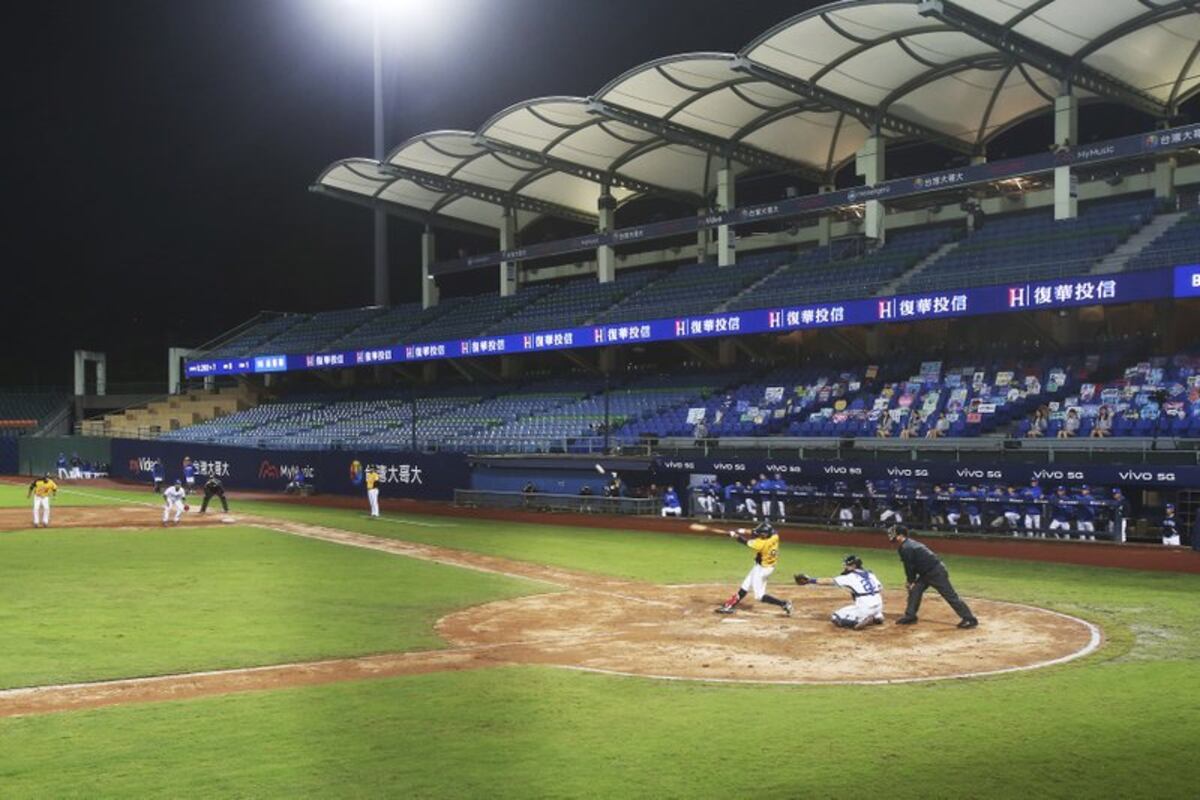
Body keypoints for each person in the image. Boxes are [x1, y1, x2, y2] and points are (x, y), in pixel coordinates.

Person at [887, 525, 978, 628]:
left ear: (900, 536)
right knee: (915, 590)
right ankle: (910, 615)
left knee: (950, 595)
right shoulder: (907, 545)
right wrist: (912, 582)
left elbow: (910, 566)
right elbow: (911, 566)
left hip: (936, 572)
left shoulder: (906, 547)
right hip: (926, 574)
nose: (891, 536)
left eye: (894, 534)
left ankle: (970, 619)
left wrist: (910, 581)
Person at [715, 522, 793, 617]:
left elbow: (745, 542)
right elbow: (755, 532)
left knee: (759, 596)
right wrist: (740, 530)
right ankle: (730, 605)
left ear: (765, 534)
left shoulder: (761, 544)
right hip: (766, 567)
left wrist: (735, 535)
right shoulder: (775, 536)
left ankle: (784, 604)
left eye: (761, 534)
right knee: (745, 585)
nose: (759, 535)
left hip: (762, 570)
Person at [794, 554, 884, 630]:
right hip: (879, 605)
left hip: (865, 607)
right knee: (856, 593)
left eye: (847, 565)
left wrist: (809, 580)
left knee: (835, 617)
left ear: (854, 566)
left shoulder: (850, 577)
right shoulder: (870, 574)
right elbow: (880, 588)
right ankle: (877, 616)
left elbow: (829, 581)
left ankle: (859, 621)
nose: (845, 567)